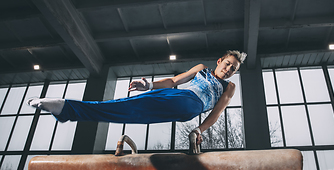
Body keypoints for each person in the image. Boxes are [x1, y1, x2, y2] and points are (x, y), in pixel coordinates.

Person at [27, 50, 246, 145]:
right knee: (128, 110)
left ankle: (67, 109)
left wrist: (199, 130)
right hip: (176, 96)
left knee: (126, 107)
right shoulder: (201, 68)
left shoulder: (229, 87)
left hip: (191, 105)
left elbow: (216, 114)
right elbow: (173, 81)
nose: (229, 69)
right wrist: (148, 84)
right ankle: (67, 111)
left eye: (233, 68)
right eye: (228, 64)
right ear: (220, 61)